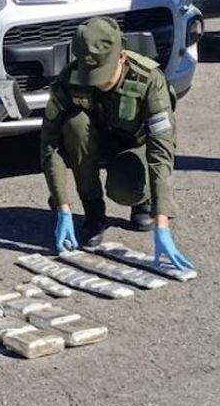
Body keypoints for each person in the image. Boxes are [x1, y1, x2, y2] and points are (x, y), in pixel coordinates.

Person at [40, 17, 193, 270]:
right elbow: (50, 144)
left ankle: (140, 201)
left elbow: (162, 149)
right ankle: (93, 213)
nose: (99, 82)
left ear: (121, 57)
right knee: (74, 124)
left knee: (125, 188)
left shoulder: (149, 80)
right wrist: (62, 206)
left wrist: (161, 219)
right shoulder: (70, 78)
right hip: (94, 142)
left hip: (135, 145)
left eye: (104, 74)